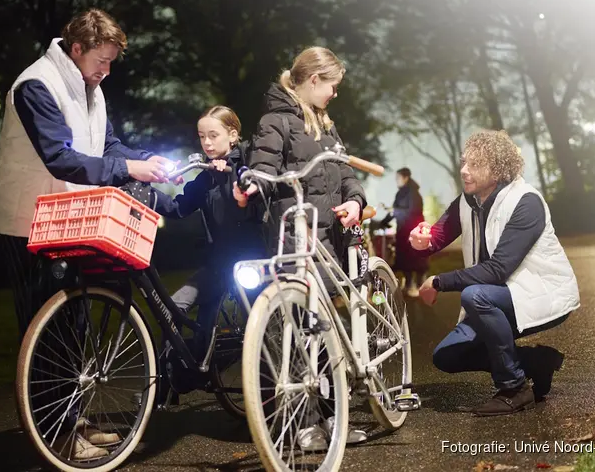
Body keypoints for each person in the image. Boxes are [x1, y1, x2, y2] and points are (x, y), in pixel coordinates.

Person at [0, 9, 177, 459]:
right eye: (101, 61)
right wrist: (129, 168)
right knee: (45, 328)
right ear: (76, 49)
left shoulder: (91, 87)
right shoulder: (36, 85)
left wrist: (146, 161)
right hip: (26, 221)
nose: (106, 71)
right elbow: (60, 156)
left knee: (73, 321)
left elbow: (106, 146)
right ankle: (58, 435)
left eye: (111, 62)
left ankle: (74, 421)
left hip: (68, 216)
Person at [234, 46, 368, 450]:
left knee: (325, 333)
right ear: (313, 81)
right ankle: (305, 423)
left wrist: (354, 201)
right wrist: (252, 182)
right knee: (294, 333)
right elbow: (263, 164)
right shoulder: (276, 121)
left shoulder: (325, 125)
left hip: (327, 240)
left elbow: (345, 172)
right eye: (332, 85)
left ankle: (334, 417)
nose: (335, 94)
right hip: (294, 240)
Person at [408, 129, 579, 417]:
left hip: (538, 292)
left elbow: (498, 270)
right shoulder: (468, 200)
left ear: (498, 169)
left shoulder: (526, 202)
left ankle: (514, 388)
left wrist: (438, 282)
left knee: (475, 296)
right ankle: (537, 362)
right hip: (495, 295)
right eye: (464, 162)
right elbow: (437, 236)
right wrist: (421, 241)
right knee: (447, 356)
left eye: (474, 165)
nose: (464, 170)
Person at [152, 106, 265, 369]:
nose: (207, 143)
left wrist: (231, 171)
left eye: (213, 135)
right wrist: (149, 195)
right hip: (219, 263)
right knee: (174, 307)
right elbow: (179, 207)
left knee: (261, 327)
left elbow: (256, 196)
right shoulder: (205, 176)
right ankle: (171, 376)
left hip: (254, 262)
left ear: (233, 135)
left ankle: (267, 387)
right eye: (202, 136)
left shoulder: (251, 163)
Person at [378, 167, 429, 296]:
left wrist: (393, 212)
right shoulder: (401, 193)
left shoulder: (413, 193)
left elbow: (412, 211)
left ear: (405, 178)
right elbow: (395, 209)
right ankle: (409, 285)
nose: (396, 181)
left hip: (413, 229)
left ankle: (418, 286)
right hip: (403, 230)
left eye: (398, 178)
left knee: (415, 258)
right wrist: (384, 221)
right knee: (405, 258)